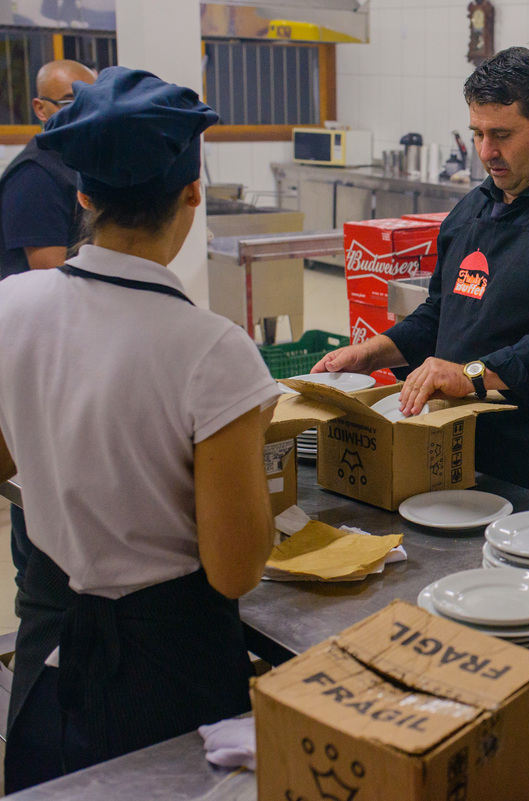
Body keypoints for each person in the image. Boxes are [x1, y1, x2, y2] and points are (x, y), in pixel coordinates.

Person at [0, 67, 279, 791]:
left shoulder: (12, 306)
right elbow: (235, 567)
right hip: (168, 672)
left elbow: (5, 462)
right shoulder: (213, 351)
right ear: (192, 192)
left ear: (84, 194)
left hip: (48, 646)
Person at [314, 47, 529, 512]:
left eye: (502, 135)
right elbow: (442, 314)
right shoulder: (472, 211)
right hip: (459, 452)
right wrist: (373, 352)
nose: (486, 152)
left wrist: (471, 376)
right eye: (478, 134)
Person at [0, 59, 96, 592]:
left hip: (71, 356)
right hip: (39, 358)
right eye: (69, 102)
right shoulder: (36, 176)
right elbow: (53, 275)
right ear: (40, 109)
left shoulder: (76, 166)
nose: (83, 112)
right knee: (38, 508)